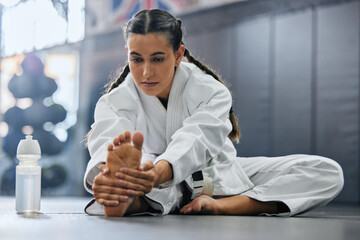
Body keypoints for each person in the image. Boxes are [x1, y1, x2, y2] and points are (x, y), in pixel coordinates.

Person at [84, 9, 344, 217]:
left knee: (327, 171)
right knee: (138, 170)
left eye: (158, 58)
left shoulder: (210, 90)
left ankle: (224, 206)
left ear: (178, 54)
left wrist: (159, 173)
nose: (146, 72)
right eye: (137, 59)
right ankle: (128, 195)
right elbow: (107, 137)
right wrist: (116, 173)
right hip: (154, 182)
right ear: (127, 55)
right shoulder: (115, 101)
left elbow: (196, 137)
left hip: (220, 178)